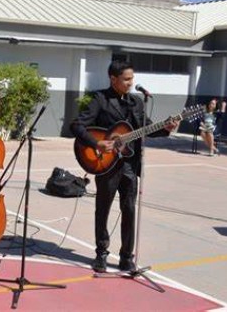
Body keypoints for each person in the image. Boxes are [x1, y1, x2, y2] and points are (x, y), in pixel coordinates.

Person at [70, 60, 178, 273]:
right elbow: (77, 125)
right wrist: (96, 143)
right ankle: (101, 253)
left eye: (132, 79)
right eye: (126, 79)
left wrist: (165, 128)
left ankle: (126, 256)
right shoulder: (99, 99)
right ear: (113, 79)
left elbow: (146, 128)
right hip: (106, 164)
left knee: (129, 210)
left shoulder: (136, 102)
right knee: (103, 209)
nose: (131, 83)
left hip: (130, 165)